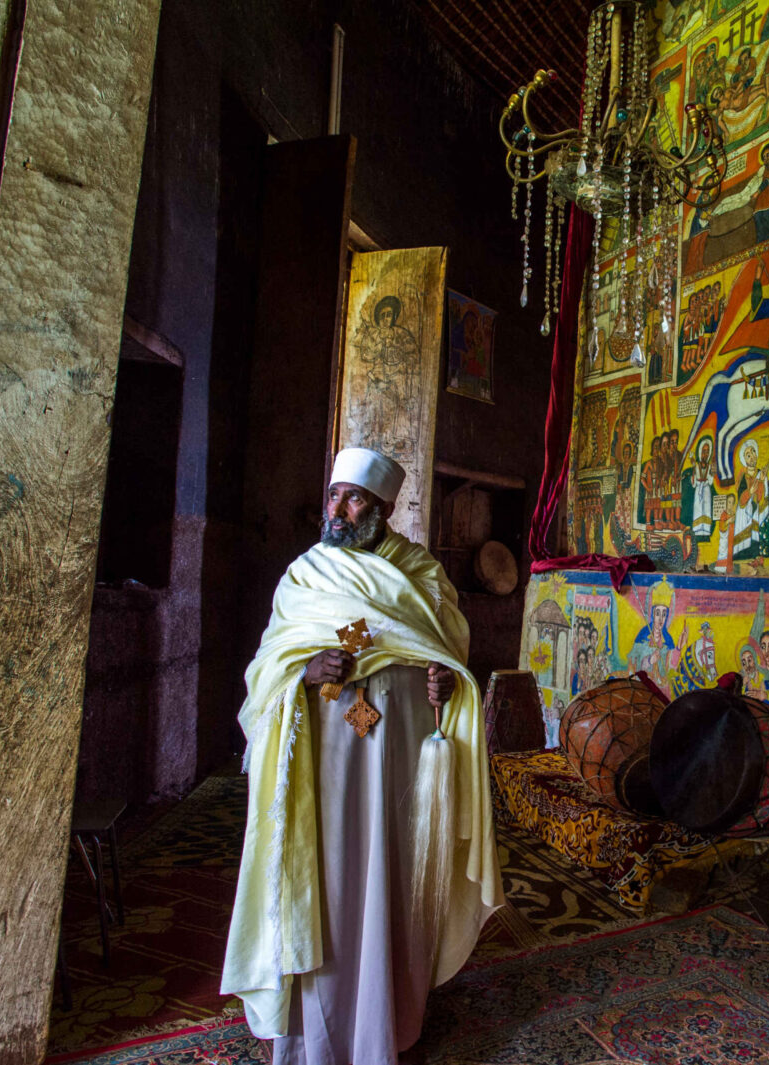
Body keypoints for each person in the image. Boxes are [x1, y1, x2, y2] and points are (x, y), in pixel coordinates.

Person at [222, 447, 501, 1065]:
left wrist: (444, 685)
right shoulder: (305, 576)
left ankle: (391, 1020)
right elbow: (268, 667)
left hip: (398, 746)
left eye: (354, 499)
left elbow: (446, 652)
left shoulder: (422, 574)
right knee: (333, 875)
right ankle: (315, 1033)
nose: (338, 510)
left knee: (393, 871)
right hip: (328, 756)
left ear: (383, 508)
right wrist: (303, 669)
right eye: (334, 495)